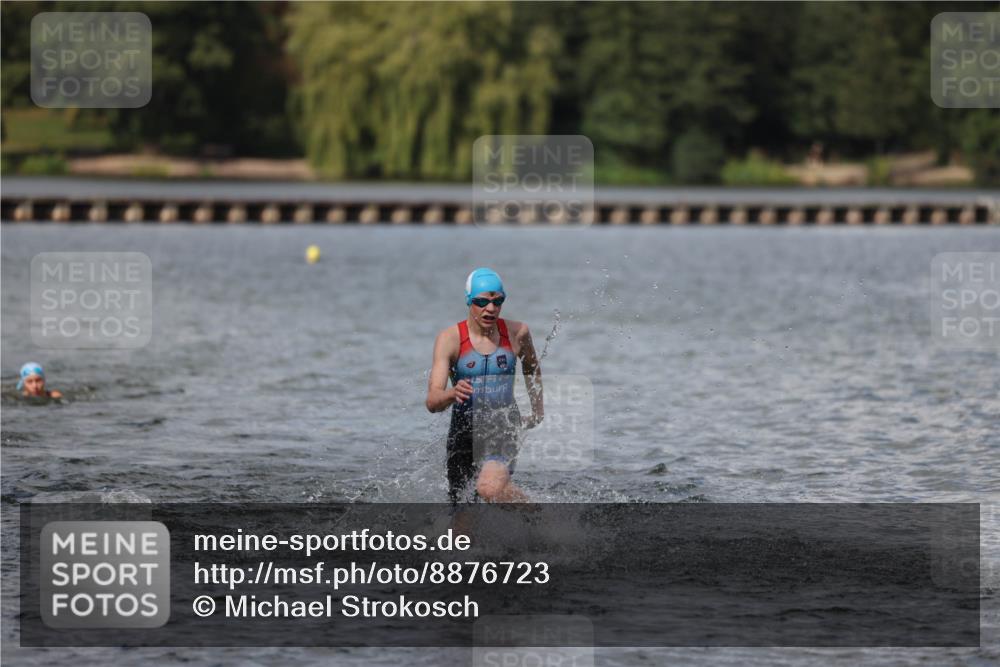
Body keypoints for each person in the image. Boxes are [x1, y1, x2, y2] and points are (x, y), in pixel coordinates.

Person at [426, 268, 543, 504]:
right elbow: (432, 401)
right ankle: (521, 534)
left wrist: (537, 409)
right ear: (469, 301)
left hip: (502, 426)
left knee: (489, 488)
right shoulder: (450, 339)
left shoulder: (517, 333)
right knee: (462, 523)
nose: (491, 309)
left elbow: (531, 367)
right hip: (462, 432)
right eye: (482, 302)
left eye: (497, 301)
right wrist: (451, 393)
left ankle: (541, 519)